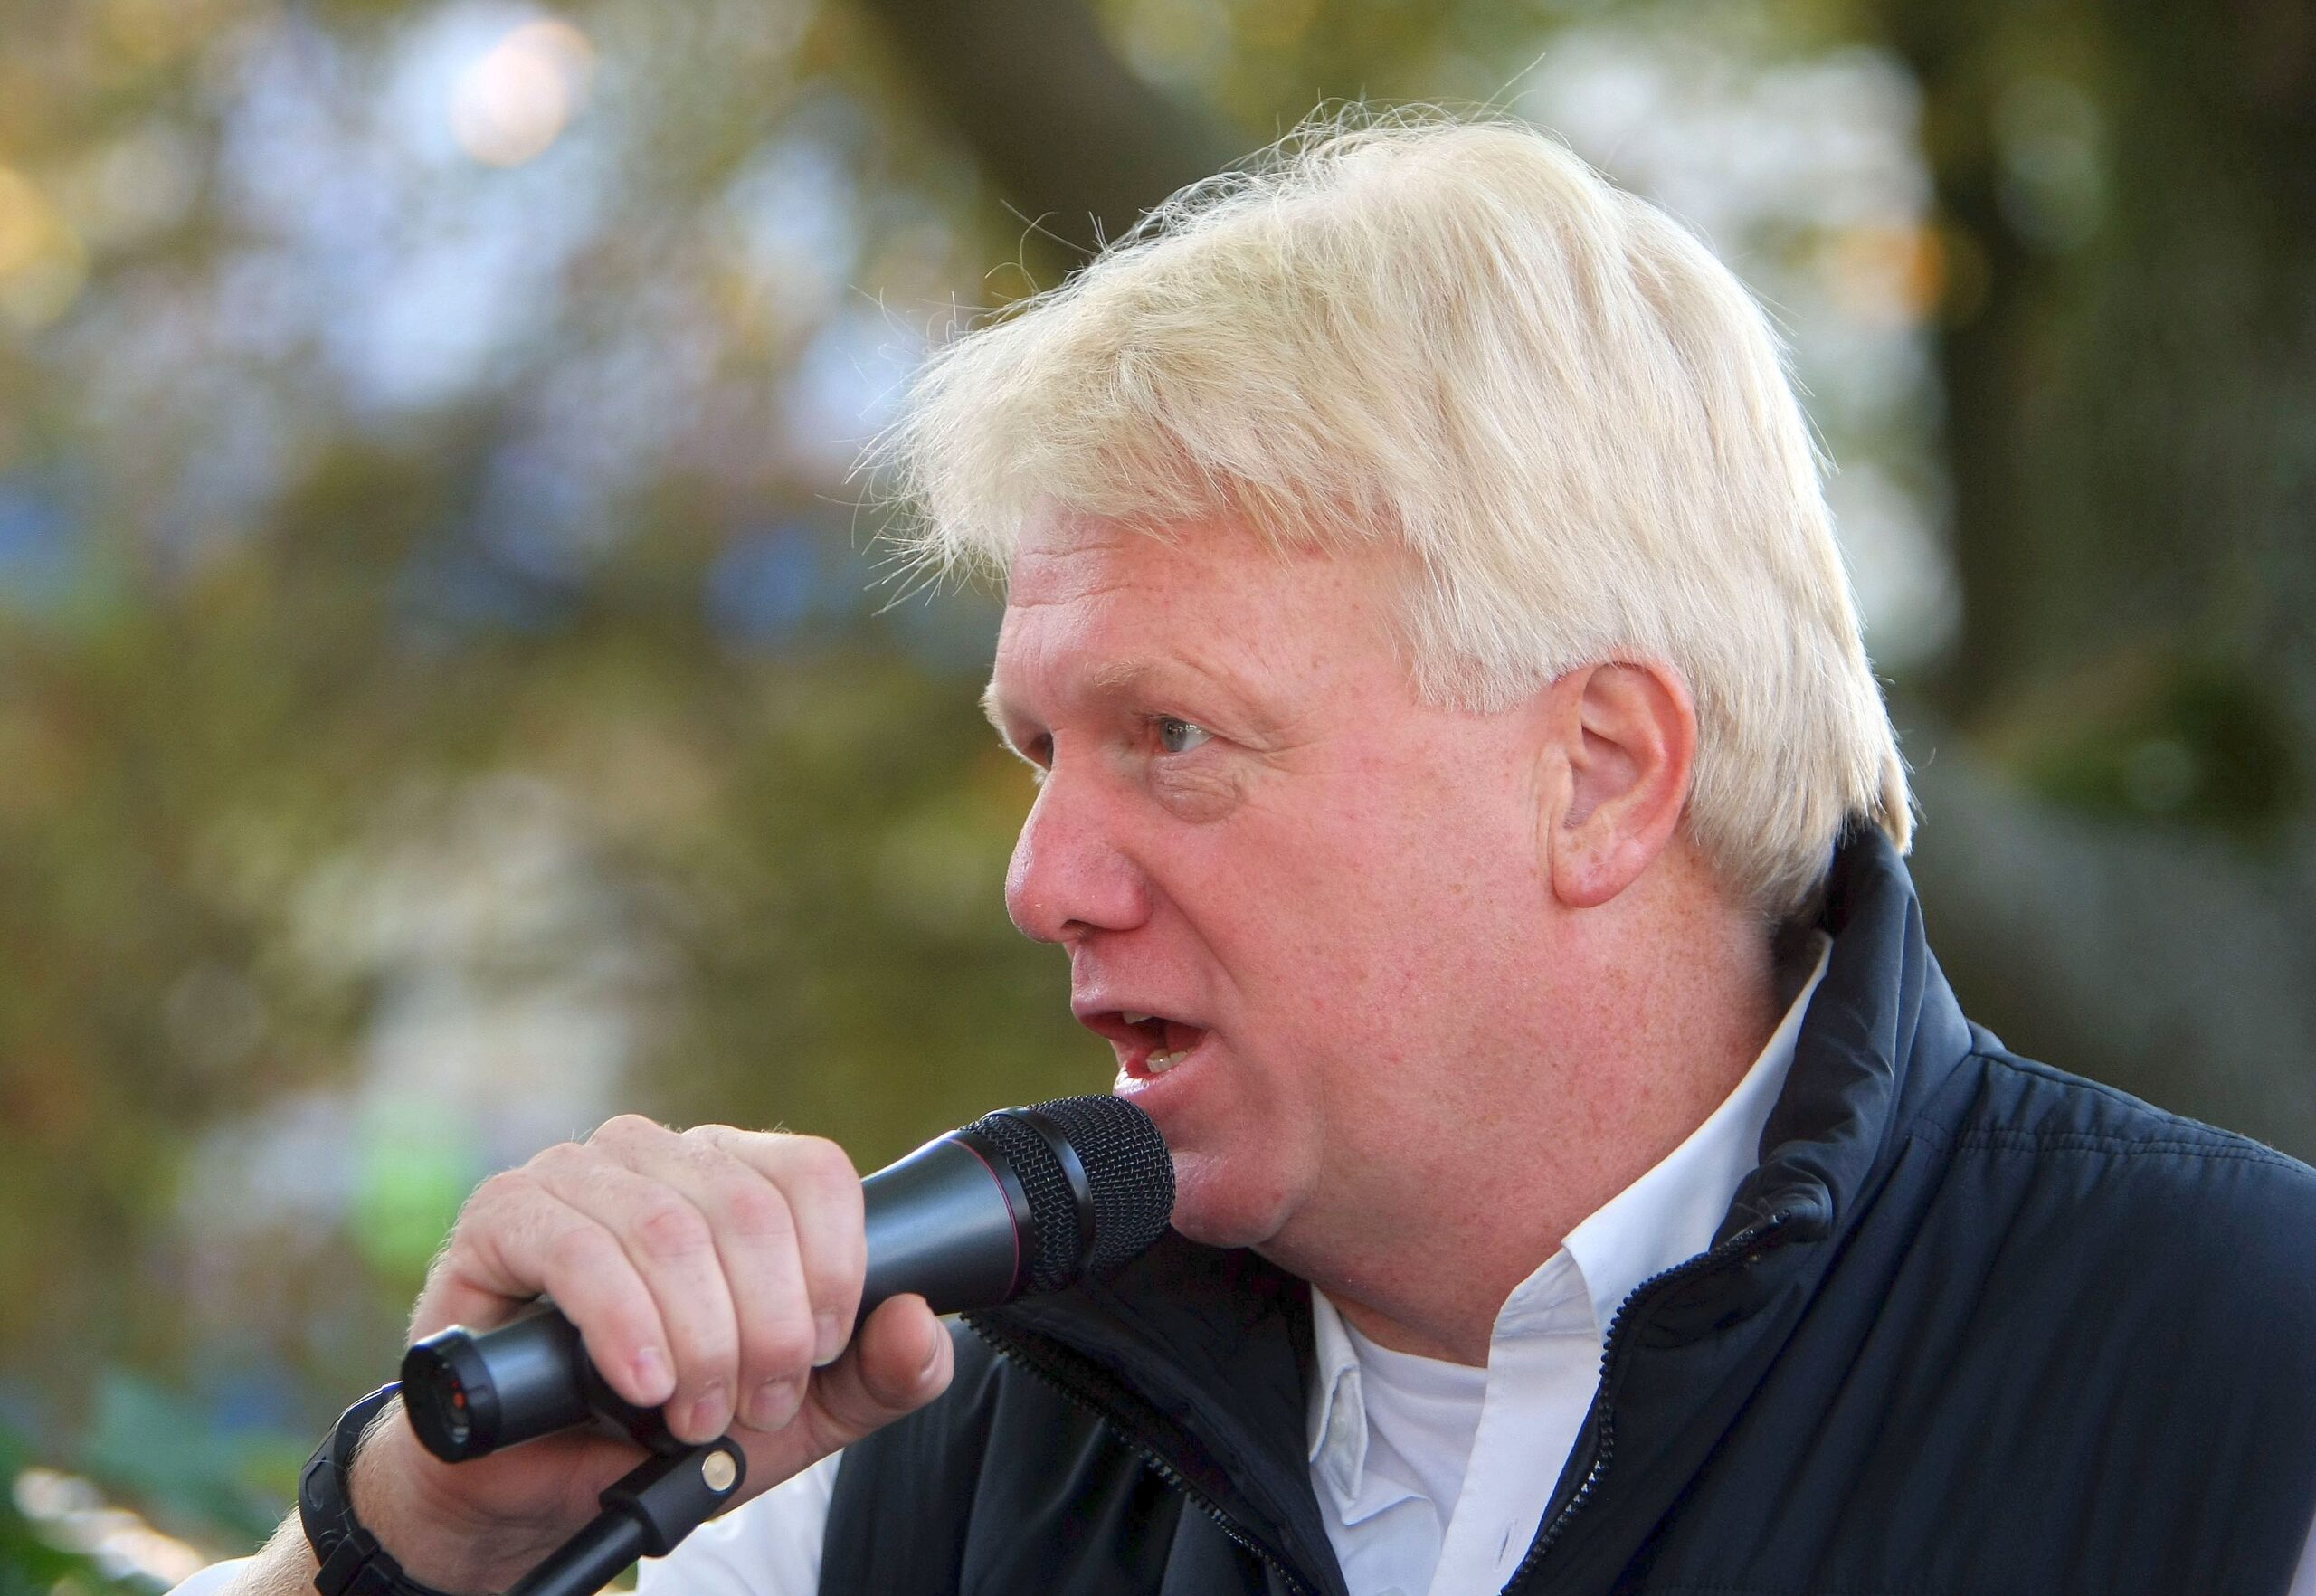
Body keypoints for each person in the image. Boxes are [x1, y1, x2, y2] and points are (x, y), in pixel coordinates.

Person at [184, 112, 2316, 1596]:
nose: (1043, 881)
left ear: (1597, 774)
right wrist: (416, 1548)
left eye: (1170, 738)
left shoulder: (2249, 1386)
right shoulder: (911, 1435)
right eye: (1038, 746)